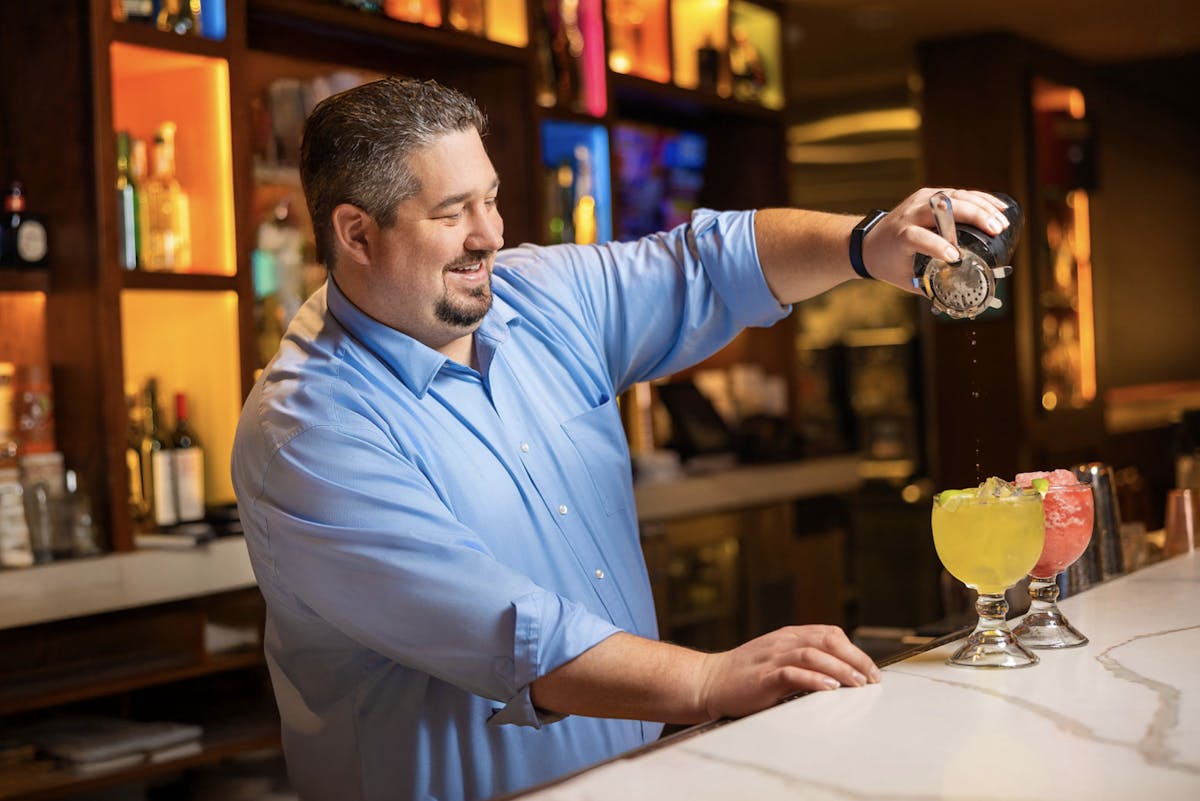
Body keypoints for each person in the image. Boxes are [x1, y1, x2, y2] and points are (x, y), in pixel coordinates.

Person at [231, 77, 1012, 801]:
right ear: (357, 233)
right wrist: (708, 681)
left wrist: (866, 242)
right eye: (451, 213)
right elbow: (514, 632)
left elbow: (711, 263)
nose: (490, 234)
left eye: (491, 199)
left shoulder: (537, 298)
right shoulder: (308, 429)